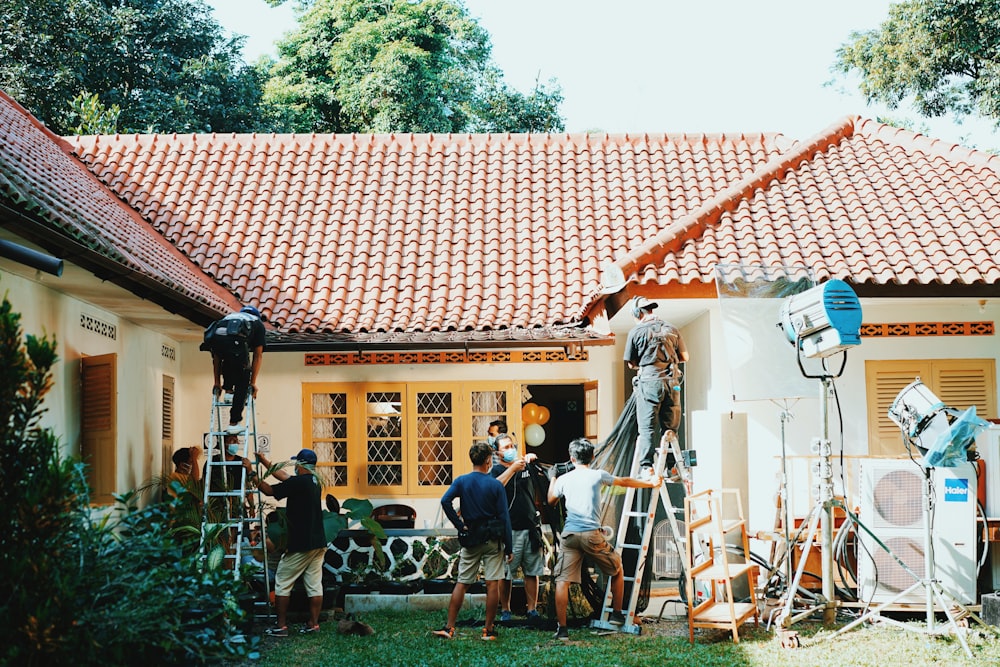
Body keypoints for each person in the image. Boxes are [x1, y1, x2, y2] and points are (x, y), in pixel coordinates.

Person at [547, 437, 660, 641]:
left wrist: (553, 478)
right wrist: (649, 483)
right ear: (592, 456)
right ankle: (617, 614)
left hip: (570, 535)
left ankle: (562, 629)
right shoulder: (598, 475)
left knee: (562, 582)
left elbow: (551, 501)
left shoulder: (564, 479)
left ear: (571, 458)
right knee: (617, 569)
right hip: (591, 535)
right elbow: (624, 481)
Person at [432, 441, 513, 641]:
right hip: (492, 540)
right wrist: (509, 546)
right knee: (492, 584)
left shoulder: (462, 481)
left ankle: (449, 628)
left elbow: (445, 501)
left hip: (471, 538)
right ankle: (488, 630)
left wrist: (460, 525)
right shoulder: (495, 485)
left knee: (462, 583)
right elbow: (504, 518)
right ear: (488, 460)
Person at [244, 448, 327, 636]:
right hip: (318, 542)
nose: (295, 467)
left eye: (296, 463)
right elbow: (284, 477)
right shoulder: (313, 481)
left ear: (301, 465)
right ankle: (313, 624)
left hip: (301, 544)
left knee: (282, 582)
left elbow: (269, 490)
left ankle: (280, 627)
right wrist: (264, 461)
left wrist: (251, 472)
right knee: (314, 584)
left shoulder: (299, 483)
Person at [623, 295, 689, 479]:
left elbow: (631, 363)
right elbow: (685, 357)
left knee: (647, 428)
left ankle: (647, 467)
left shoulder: (636, 332)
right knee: (670, 429)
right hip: (673, 383)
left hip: (650, 383)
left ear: (637, 313)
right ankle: (672, 467)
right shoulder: (672, 329)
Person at [490, 433, 544, 622]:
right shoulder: (495, 471)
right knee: (506, 574)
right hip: (508, 530)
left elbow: (544, 479)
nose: (510, 449)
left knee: (532, 571)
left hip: (530, 527)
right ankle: (506, 610)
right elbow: (494, 488)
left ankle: (532, 610)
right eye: (505, 447)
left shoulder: (524, 466)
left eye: (512, 445)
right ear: (497, 452)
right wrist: (512, 469)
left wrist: (532, 460)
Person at [201, 305, 266, 434]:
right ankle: (234, 423)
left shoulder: (227, 319)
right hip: (236, 341)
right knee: (243, 376)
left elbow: (217, 358)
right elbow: (258, 356)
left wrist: (217, 383)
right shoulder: (257, 324)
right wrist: (252, 382)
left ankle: (229, 392)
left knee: (229, 358)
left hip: (217, 340)